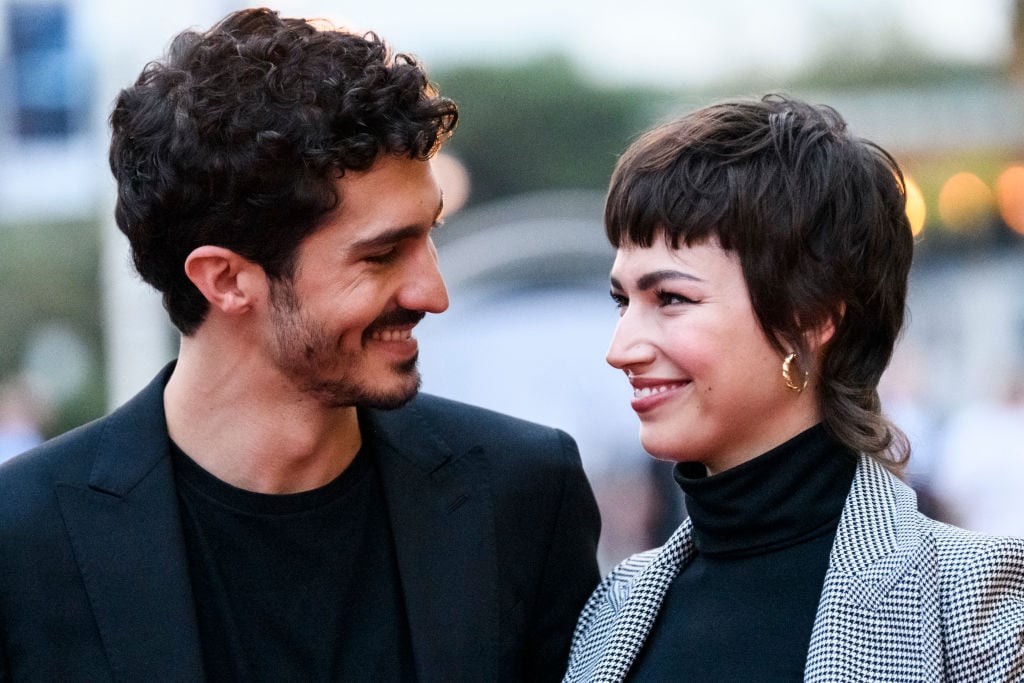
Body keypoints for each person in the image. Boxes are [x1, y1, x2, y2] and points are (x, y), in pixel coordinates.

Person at [0, 8, 600, 680]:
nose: (433, 293)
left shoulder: (522, 494)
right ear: (226, 279)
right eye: (381, 256)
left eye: (428, 235)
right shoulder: (21, 540)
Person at [562, 95, 1024, 681]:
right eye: (622, 301)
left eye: (671, 299)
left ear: (811, 319)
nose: (620, 348)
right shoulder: (612, 612)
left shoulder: (979, 606)